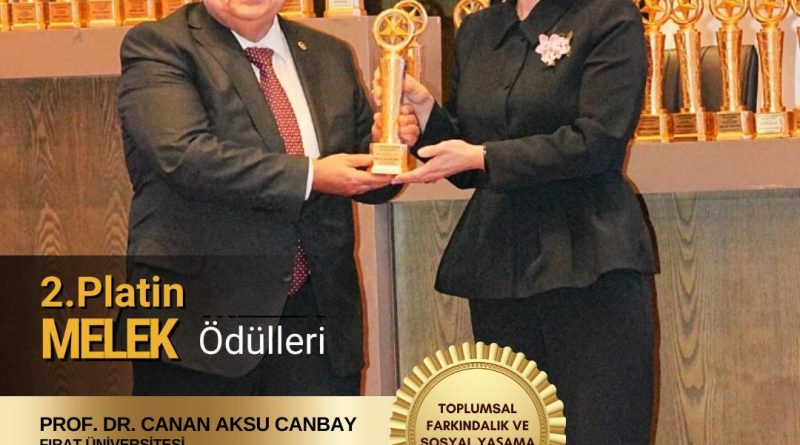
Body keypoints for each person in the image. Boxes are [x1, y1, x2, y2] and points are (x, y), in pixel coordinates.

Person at [375, 0, 657, 442]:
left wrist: (483, 156)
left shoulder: (607, 15)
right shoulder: (477, 29)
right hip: (499, 268)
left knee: (601, 429)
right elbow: (469, 163)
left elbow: (599, 141)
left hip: (589, 260)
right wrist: (426, 112)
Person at [117, 0, 419, 395]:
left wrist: (389, 146)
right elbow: (183, 156)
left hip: (316, 323)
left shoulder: (329, 55)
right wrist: (312, 176)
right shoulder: (159, 46)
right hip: (199, 328)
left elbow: (362, 171)